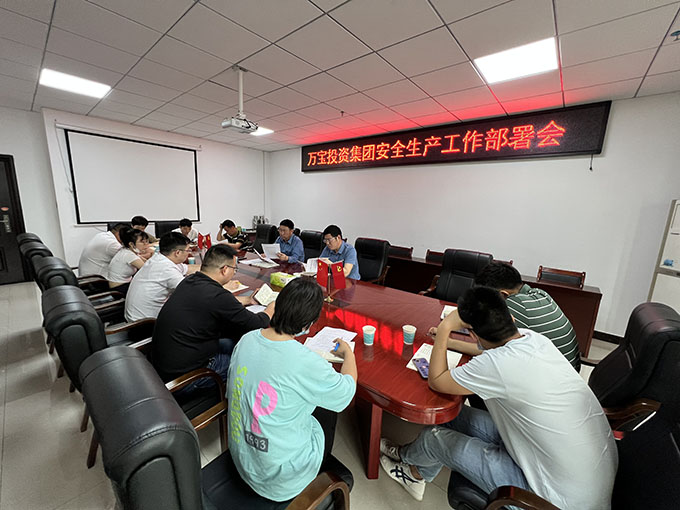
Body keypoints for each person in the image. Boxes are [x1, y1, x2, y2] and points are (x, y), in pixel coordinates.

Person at [380, 287, 617, 507]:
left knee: (434, 439)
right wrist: (450, 341)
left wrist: (444, 329)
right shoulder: (533, 339)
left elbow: (437, 380)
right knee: (452, 415)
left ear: (473, 334)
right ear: (510, 317)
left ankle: (409, 468)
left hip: (554, 500)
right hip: (582, 475)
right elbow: (485, 348)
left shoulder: (496, 365)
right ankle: (417, 468)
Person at [227, 278, 357, 502]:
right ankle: (319, 470)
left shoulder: (246, 339)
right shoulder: (304, 361)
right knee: (328, 408)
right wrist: (348, 355)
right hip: (279, 480)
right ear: (309, 323)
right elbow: (346, 393)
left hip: (243, 459)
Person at [152, 244, 274, 391]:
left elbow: (215, 305)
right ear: (225, 269)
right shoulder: (217, 295)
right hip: (186, 378)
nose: (234, 273)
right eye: (234, 269)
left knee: (233, 341)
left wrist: (247, 300)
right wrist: (270, 308)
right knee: (251, 360)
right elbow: (257, 323)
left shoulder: (190, 281)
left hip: (165, 366)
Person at [474, 261, 581, 370]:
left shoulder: (514, 304)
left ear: (502, 294)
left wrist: (460, 342)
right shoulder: (540, 293)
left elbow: (490, 349)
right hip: (569, 370)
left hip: (553, 376)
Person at [124, 232, 199, 322]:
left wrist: (211, 268)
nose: (188, 253)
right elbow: (192, 292)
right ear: (177, 253)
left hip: (140, 317)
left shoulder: (160, 258)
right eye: (188, 250)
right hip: (144, 324)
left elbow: (189, 268)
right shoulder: (166, 269)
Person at [105, 227, 150, 293]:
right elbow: (149, 269)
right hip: (119, 289)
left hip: (120, 284)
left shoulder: (127, 250)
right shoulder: (129, 255)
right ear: (131, 244)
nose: (146, 244)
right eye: (142, 242)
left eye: (146, 241)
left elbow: (147, 262)